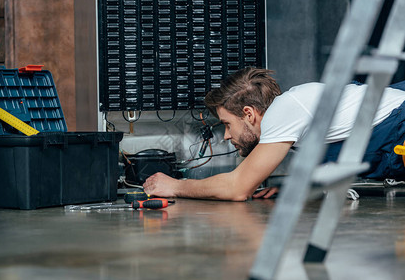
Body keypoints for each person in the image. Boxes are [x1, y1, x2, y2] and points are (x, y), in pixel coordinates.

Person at [143, 67, 405, 201]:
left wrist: (176, 186)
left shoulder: (283, 110)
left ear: (249, 114)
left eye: (227, 123)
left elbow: (238, 189)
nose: (225, 135)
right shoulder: (293, 115)